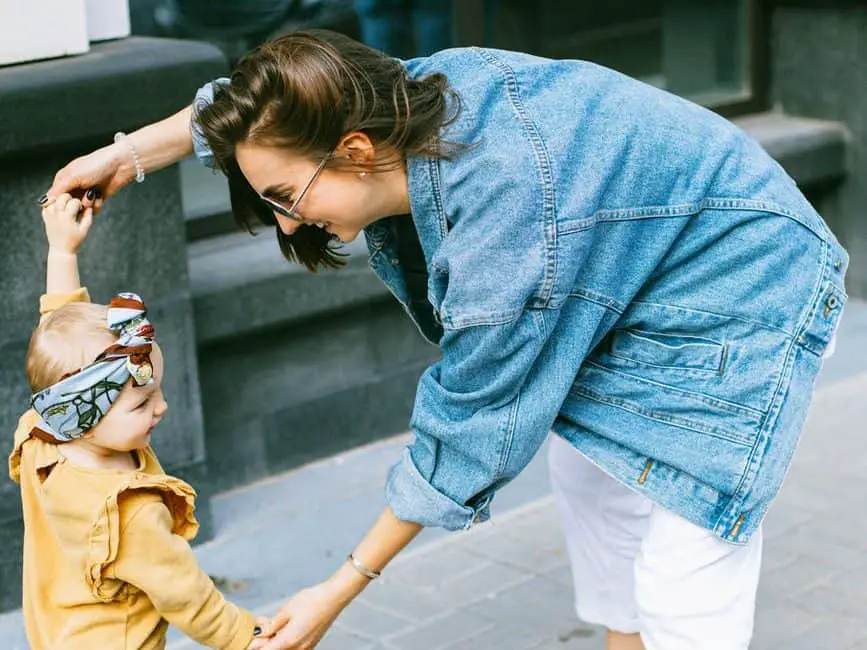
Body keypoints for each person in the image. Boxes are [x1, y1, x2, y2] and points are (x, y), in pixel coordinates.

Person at [45, 30, 848, 650]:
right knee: (592, 478)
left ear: (355, 154)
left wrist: (340, 586)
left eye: (288, 197)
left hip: (737, 284)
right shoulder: (390, 99)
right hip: (626, 264)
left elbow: (472, 422)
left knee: (685, 543)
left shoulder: (507, 223)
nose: (286, 222)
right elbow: (253, 104)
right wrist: (130, 154)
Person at [12, 194, 267, 649]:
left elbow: (59, 329)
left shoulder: (42, 435)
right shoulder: (130, 511)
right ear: (81, 415)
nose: (162, 407)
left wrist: (62, 251)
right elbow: (189, 598)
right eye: (142, 403)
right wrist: (253, 637)